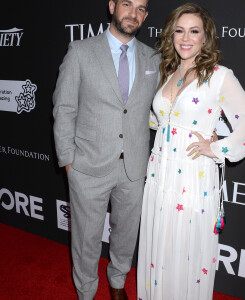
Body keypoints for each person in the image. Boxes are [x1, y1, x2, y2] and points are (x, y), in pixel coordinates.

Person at [137, 3, 245, 300]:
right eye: (179, 30)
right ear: (171, 35)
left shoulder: (219, 76)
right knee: (160, 246)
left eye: (194, 31)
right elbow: (161, 120)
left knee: (184, 251)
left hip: (192, 176)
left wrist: (217, 147)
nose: (186, 38)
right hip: (160, 173)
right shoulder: (169, 72)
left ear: (206, 37)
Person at [52, 0, 160, 299]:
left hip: (134, 167)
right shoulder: (81, 52)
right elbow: (64, 109)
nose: (133, 13)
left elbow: (166, 106)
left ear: (146, 15)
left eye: (141, 8)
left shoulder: (153, 58)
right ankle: (86, 291)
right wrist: (69, 163)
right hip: (87, 167)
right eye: (127, 4)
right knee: (85, 239)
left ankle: (117, 283)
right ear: (112, 6)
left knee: (126, 235)